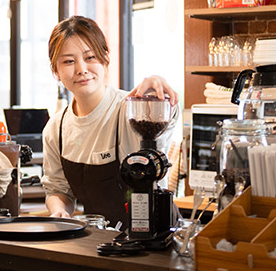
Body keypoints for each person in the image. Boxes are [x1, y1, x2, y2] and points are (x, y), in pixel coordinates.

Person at [41, 15, 179, 229]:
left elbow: (165, 119)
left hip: (154, 234)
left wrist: (158, 91)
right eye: (69, 61)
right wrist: (59, 210)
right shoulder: (55, 128)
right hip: (100, 242)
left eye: (90, 57)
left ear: (105, 58)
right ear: (56, 71)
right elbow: (58, 190)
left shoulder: (130, 110)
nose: (81, 69)